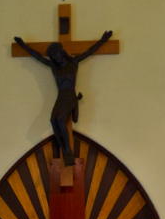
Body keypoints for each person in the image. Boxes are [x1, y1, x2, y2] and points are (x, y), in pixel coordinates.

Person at [13, 31, 113, 166]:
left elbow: (90, 51)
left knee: (60, 119)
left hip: (70, 96)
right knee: (53, 120)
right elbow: (37, 57)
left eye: (56, 53)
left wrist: (102, 40)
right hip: (61, 97)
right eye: (52, 55)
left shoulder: (74, 62)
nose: (55, 57)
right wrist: (23, 46)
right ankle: (64, 149)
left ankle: (68, 151)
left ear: (62, 51)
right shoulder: (55, 67)